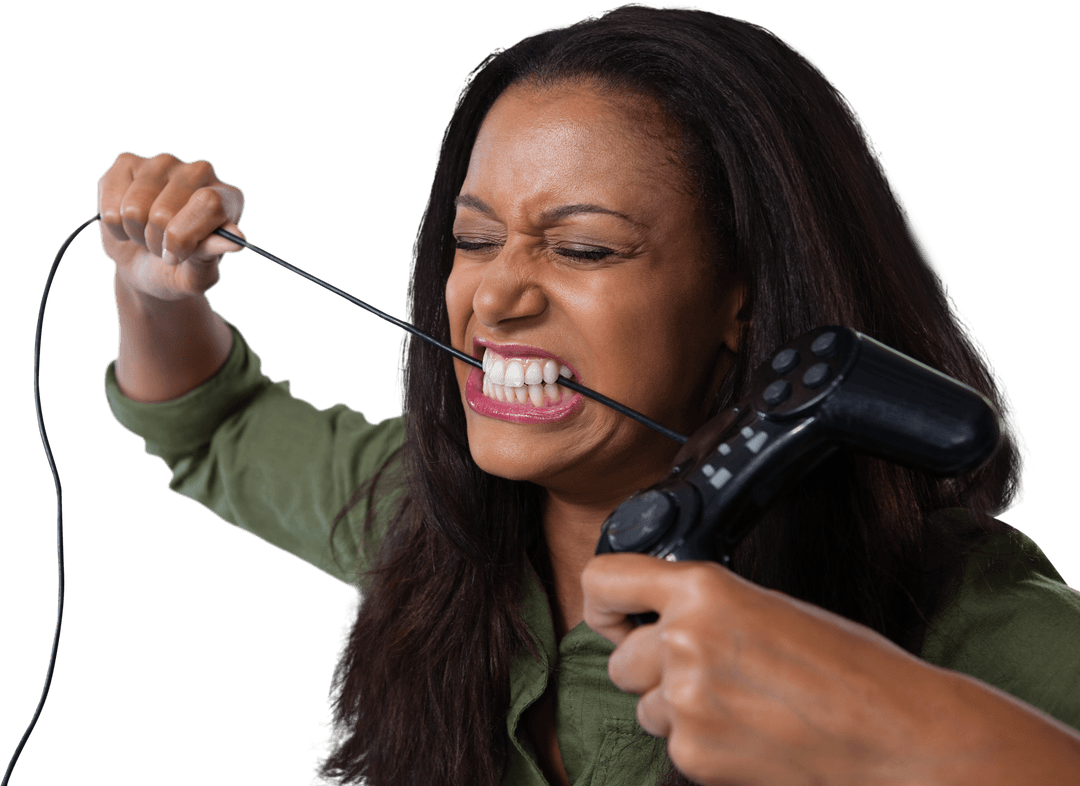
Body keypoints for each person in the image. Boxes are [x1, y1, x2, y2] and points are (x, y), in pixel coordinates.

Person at [98, 5, 1080, 785]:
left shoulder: (954, 609)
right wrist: (150, 289)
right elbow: (211, 423)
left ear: (742, 300)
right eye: (475, 240)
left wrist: (908, 733)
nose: (497, 294)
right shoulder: (418, 511)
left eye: (582, 249)